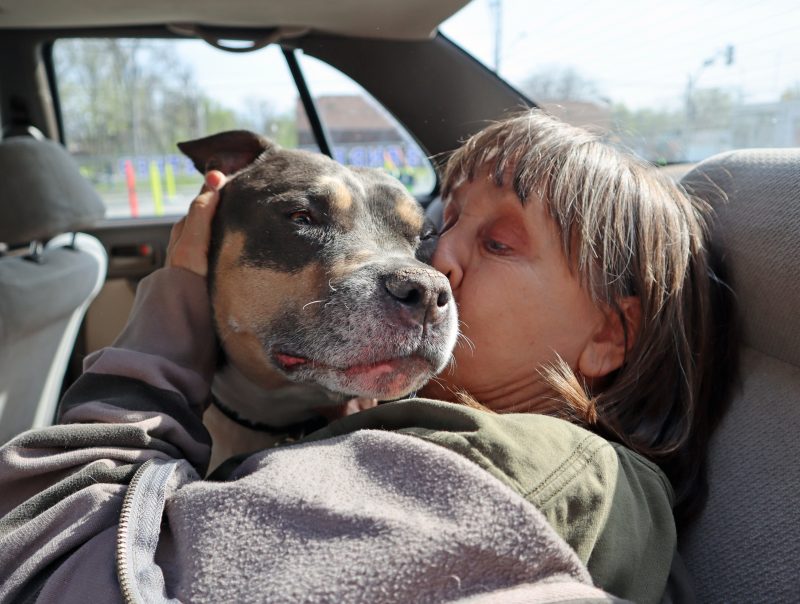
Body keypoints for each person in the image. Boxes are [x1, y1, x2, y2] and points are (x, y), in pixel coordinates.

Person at [0, 110, 736, 603]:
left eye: (499, 243)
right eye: (439, 229)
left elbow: (42, 567)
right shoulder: (403, 442)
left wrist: (176, 303)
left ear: (611, 335)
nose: (432, 264)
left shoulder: (506, 479)